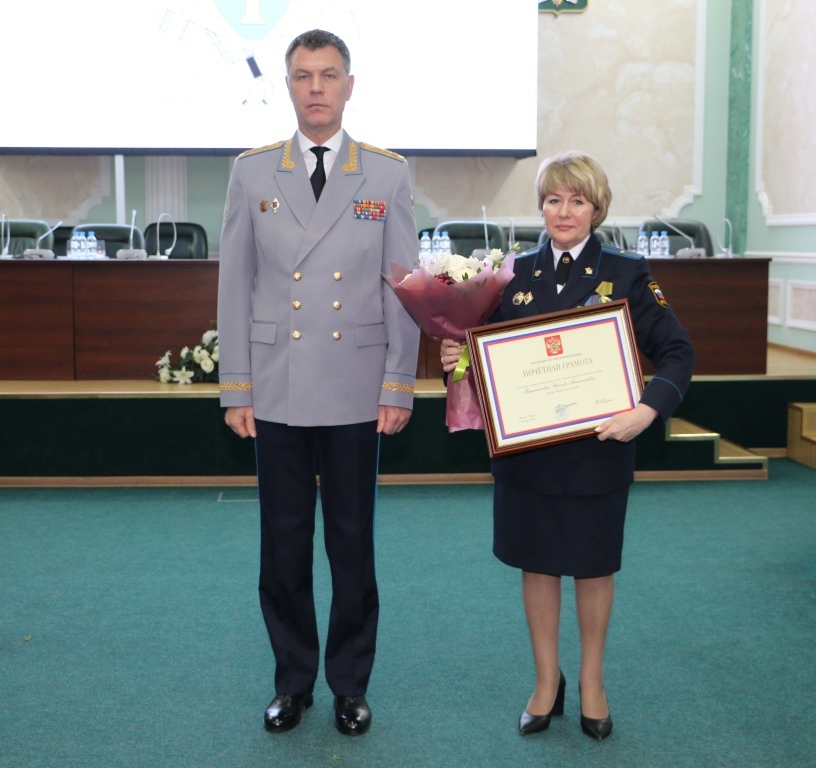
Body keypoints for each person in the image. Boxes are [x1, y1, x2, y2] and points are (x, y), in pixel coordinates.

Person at [441, 151, 695, 740]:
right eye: (553, 199)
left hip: (598, 452)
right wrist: (461, 360)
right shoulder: (511, 275)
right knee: (537, 563)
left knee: (593, 566)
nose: (564, 211)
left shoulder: (628, 274)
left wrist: (647, 410)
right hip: (527, 454)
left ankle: (591, 683)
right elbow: (490, 362)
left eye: (577, 200)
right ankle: (545, 681)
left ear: (596, 208)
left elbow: (679, 352)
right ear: (541, 207)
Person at [217, 29, 420, 736]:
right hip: (276, 386)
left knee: (350, 542)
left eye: (328, 75)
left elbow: (405, 287)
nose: (315, 88)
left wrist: (399, 382)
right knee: (282, 541)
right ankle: (292, 680)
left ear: (349, 85)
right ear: (288, 84)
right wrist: (235, 386)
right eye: (303, 75)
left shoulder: (388, 175)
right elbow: (235, 285)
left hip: (356, 388)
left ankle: (350, 684)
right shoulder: (250, 173)